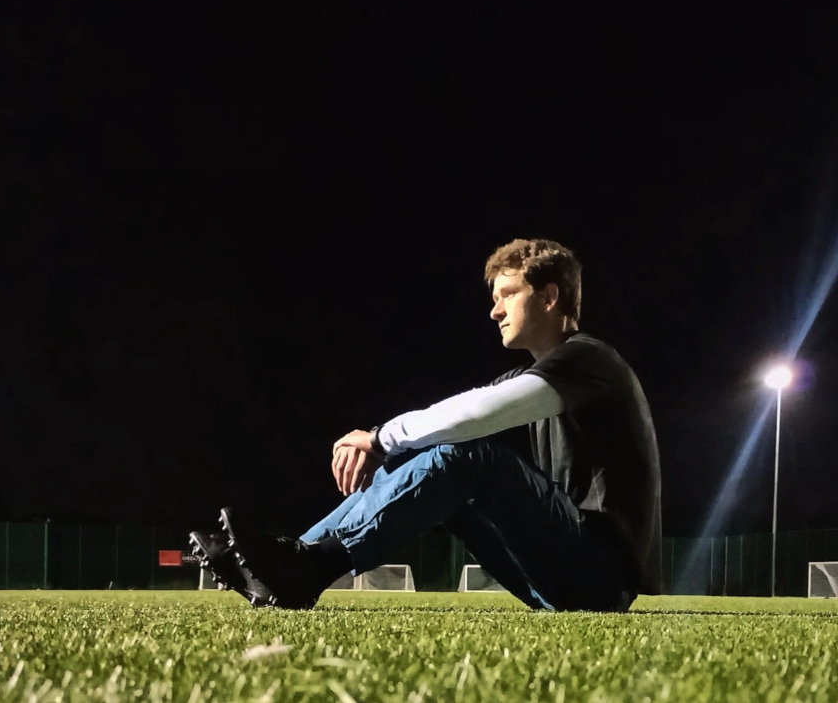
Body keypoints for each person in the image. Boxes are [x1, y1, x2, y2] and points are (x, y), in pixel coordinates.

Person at [190, 238, 661, 610]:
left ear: (550, 297)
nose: (494, 310)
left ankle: (306, 567)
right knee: (442, 456)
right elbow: (455, 421)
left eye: (507, 294)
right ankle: (288, 558)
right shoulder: (538, 373)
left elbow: (474, 417)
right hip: (559, 577)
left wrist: (379, 439)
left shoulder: (590, 360)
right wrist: (392, 450)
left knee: (468, 451)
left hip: (601, 579)